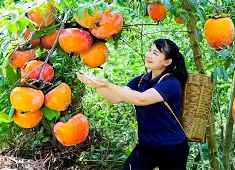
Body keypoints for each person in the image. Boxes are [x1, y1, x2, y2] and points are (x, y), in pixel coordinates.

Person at [77, 38, 189, 170]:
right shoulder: (141, 80)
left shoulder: (171, 83)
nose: (149, 55)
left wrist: (107, 84)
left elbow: (141, 99)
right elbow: (115, 98)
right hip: (147, 146)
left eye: (155, 53)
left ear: (167, 62)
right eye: (149, 50)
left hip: (172, 147)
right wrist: (97, 84)